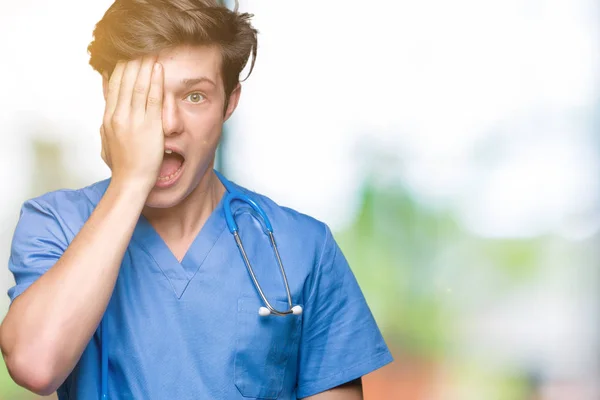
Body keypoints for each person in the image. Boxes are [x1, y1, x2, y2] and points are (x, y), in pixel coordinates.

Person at [0, 1, 393, 399]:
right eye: (144, 96)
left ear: (230, 102)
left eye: (195, 97)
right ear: (109, 93)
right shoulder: (54, 222)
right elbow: (35, 366)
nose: (168, 123)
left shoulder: (304, 247)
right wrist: (130, 183)